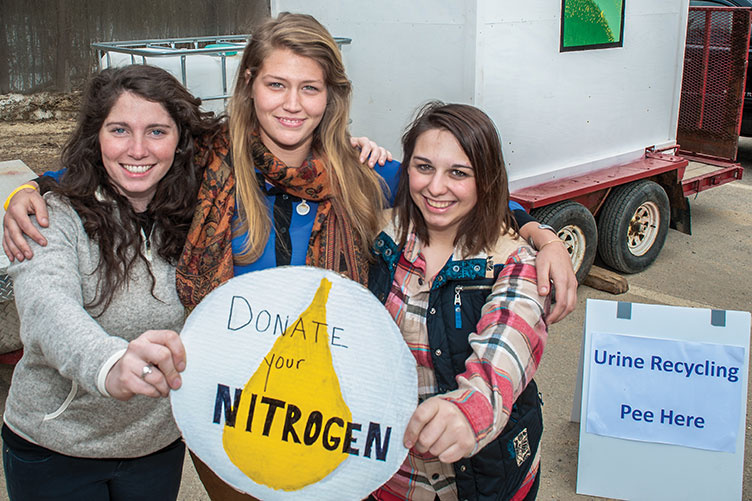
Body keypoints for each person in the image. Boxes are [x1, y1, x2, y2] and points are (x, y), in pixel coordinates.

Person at [2, 12, 574, 500]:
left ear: (331, 97)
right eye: (277, 85)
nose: (292, 105)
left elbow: (458, 193)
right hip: (223, 405)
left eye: (310, 88)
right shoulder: (205, 160)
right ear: (250, 83)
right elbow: (127, 160)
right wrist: (32, 190)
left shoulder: (360, 175)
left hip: (327, 417)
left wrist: (540, 235)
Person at [2, 64, 221, 500]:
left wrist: (347, 148)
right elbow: (48, 308)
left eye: (157, 131)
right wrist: (109, 364)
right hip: (56, 445)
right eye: (119, 130)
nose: (137, 149)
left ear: (180, 142)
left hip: (155, 446)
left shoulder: (204, 216)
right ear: (95, 137)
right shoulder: (51, 217)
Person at [367, 102, 548, 500]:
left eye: (459, 173)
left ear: (486, 180)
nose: (435, 187)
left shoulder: (515, 261)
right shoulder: (379, 236)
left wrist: (471, 409)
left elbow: (507, 345)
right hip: (391, 478)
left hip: (486, 479)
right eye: (424, 167)